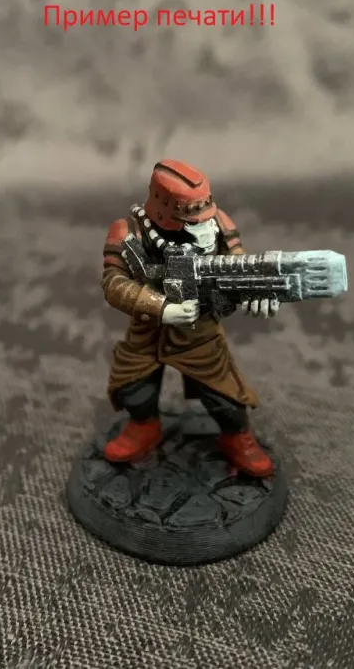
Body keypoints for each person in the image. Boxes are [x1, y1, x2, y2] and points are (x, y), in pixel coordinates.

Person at [99, 159, 278, 477]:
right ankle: (144, 427)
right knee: (133, 387)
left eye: (206, 219)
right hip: (147, 331)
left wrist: (257, 288)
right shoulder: (129, 233)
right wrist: (162, 308)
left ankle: (237, 437)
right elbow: (114, 284)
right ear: (165, 213)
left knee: (225, 394)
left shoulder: (218, 223)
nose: (205, 230)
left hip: (200, 330)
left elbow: (238, 263)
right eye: (193, 222)